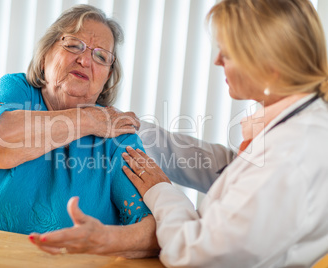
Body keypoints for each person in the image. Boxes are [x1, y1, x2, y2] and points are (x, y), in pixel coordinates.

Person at [121, 0, 328, 267]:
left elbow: (195, 253)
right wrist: (141, 132)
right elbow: (232, 169)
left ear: (269, 64)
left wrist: (160, 191)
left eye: (227, 54)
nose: (217, 60)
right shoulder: (299, 126)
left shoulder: (293, 151)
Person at [0, 4, 158, 258]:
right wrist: (88, 120)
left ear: (107, 78)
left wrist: (106, 239)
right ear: (44, 56)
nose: (85, 60)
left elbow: (158, 231)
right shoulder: (17, 91)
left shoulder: (116, 135)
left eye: (101, 57)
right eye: (74, 45)